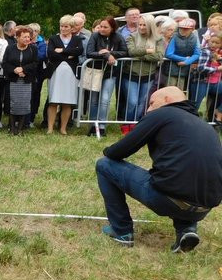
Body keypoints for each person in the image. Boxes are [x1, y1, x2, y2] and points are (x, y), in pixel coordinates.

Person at [96, 86, 222, 252]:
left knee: (104, 165)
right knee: (184, 179)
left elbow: (121, 150)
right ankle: (187, 230)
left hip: (165, 199)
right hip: (203, 208)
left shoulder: (162, 114)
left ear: (167, 100)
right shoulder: (206, 126)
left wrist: (108, 151)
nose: (148, 109)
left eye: (151, 103)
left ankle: (122, 230)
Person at [122, 13, 164, 131]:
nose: (141, 27)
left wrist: (142, 57)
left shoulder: (158, 39)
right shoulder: (132, 37)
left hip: (148, 75)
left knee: (141, 102)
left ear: (150, 25)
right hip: (131, 74)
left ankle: (136, 125)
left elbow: (159, 55)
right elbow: (131, 52)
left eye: (144, 25)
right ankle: (126, 123)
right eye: (139, 25)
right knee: (132, 102)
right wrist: (147, 50)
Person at [45, 15, 82, 135]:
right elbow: (51, 53)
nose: (63, 29)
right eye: (61, 26)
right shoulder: (53, 38)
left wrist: (62, 51)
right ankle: (50, 128)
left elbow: (79, 51)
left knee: (67, 101)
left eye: (66, 26)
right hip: (56, 73)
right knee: (53, 101)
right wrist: (69, 55)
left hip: (70, 74)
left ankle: (63, 128)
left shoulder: (77, 39)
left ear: (71, 28)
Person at [2, 26, 38, 135]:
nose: (27, 39)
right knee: (13, 104)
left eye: (28, 37)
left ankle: (21, 128)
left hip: (26, 81)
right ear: (17, 37)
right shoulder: (10, 48)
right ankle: (12, 128)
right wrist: (14, 70)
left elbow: (35, 63)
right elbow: (5, 63)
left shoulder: (33, 49)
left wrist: (24, 69)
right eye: (24, 37)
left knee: (24, 104)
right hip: (13, 80)